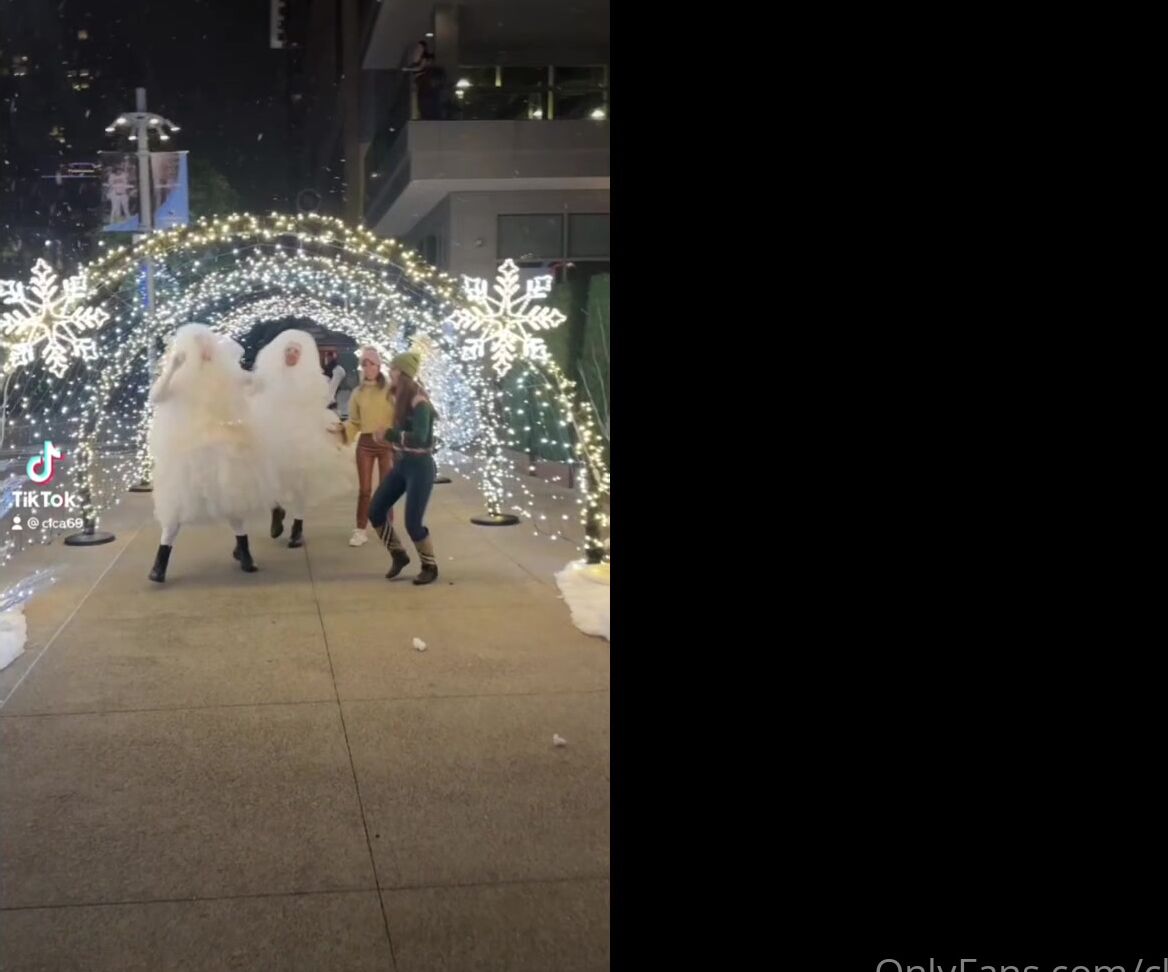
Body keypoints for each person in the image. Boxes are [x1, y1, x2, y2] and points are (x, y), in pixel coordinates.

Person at [147, 323, 274, 583]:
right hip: (187, 448)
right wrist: (171, 369)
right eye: (199, 343)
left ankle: (244, 550)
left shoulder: (224, 373)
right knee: (177, 503)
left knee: (231, 497)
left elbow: (251, 382)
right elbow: (156, 397)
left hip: (223, 444)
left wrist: (259, 377)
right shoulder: (181, 376)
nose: (206, 348)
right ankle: (161, 560)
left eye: (208, 342)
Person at [250, 329, 353, 548]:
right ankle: (276, 508)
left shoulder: (311, 378)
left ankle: (298, 526)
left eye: (296, 351)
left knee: (302, 482)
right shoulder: (270, 376)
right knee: (275, 474)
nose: (291, 355)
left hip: (303, 437)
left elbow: (321, 401)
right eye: (288, 350)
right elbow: (257, 398)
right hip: (276, 434)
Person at [367, 350, 440, 584]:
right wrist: (387, 438)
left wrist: (389, 434)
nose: (390, 372)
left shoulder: (420, 402)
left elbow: (420, 437)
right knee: (376, 510)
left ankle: (430, 566)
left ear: (404, 373)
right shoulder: (398, 397)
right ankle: (398, 554)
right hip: (402, 464)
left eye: (394, 369)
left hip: (420, 467)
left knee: (413, 523)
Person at [341, 347, 395, 546]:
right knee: (365, 489)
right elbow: (354, 421)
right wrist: (341, 433)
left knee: (387, 488)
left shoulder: (390, 389)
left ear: (379, 366)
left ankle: (387, 527)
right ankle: (360, 529)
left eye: (371, 363)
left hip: (386, 443)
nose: (367, 367)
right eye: (364, 364)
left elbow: (399, 415)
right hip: (365, 443)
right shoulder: (358, 392)